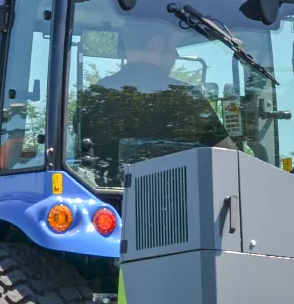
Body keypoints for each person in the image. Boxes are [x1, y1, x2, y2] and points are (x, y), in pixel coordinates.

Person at [71, 13, 233, 184]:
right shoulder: (185, 98)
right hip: (180, 204)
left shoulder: (93, 97)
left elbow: (80, 157)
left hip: (111, 202)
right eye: (174, 47)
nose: (176, 56)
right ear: (157, 44)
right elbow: (228, 156)